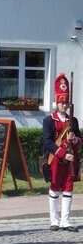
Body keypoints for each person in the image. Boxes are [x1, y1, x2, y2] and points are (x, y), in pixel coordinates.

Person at [42, 73, 81, 232]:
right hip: (56, 159)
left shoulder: (74, 120)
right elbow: (47, 142)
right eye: (61, 102)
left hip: (71, 159)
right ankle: (54, 220)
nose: (64, 105)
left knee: (68, 187)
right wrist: (63, 154)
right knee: (55, 187)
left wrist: (74, 139)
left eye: (66, 102)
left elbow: (80, 139)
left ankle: (65, 220)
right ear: (56, 102)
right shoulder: (49, 120)